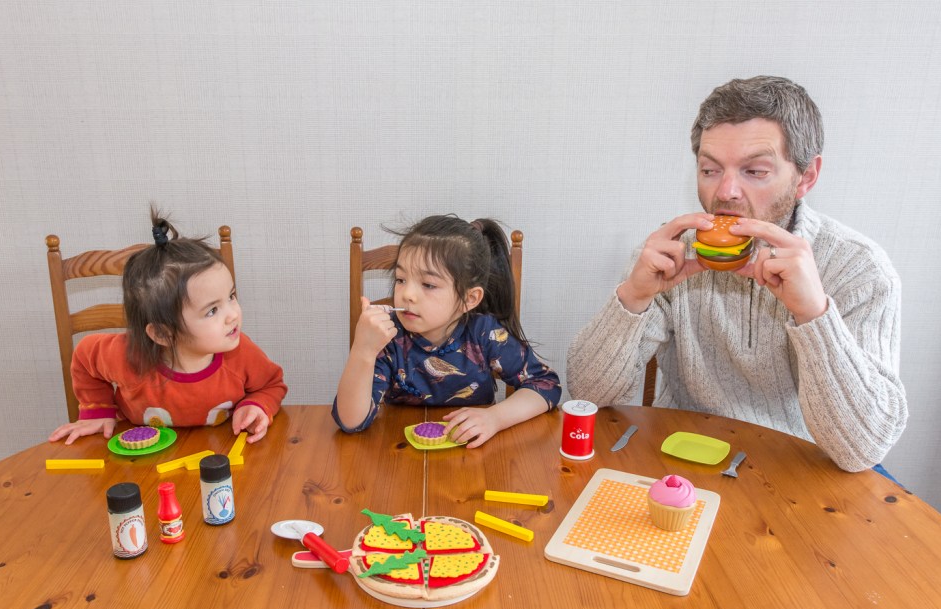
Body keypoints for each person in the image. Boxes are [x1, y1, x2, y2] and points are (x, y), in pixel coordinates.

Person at [567, 76, 907, 472]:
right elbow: (589, 395)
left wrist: (814, 315)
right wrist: (633, 298)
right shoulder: (673, 250)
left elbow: (862, 450)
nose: (726, 191)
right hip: (683, 458)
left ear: (806, 177)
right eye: (710, 170)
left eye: (755, 171)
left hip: (800, 472)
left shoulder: (859, 269)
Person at [49, 208, 287, 445]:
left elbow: (271, 385)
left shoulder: (240, 353)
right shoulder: (127, 356)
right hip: (140, 459)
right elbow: (85, 356)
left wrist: (256, 405)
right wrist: (98, 411)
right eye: (212, 310)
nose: (233, 315)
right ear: (163, 333)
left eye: (231, 296)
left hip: (219, 451)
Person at [334, 215, 561, 447]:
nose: (407, 294)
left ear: (469, 299)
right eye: (401, 279)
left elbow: (546, 385)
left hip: (473, 450)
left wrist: (496, 417)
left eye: (428, 284)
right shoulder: (388, 337)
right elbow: (351, 422)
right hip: (398, 447)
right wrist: (363, 350)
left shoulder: (485, 334)